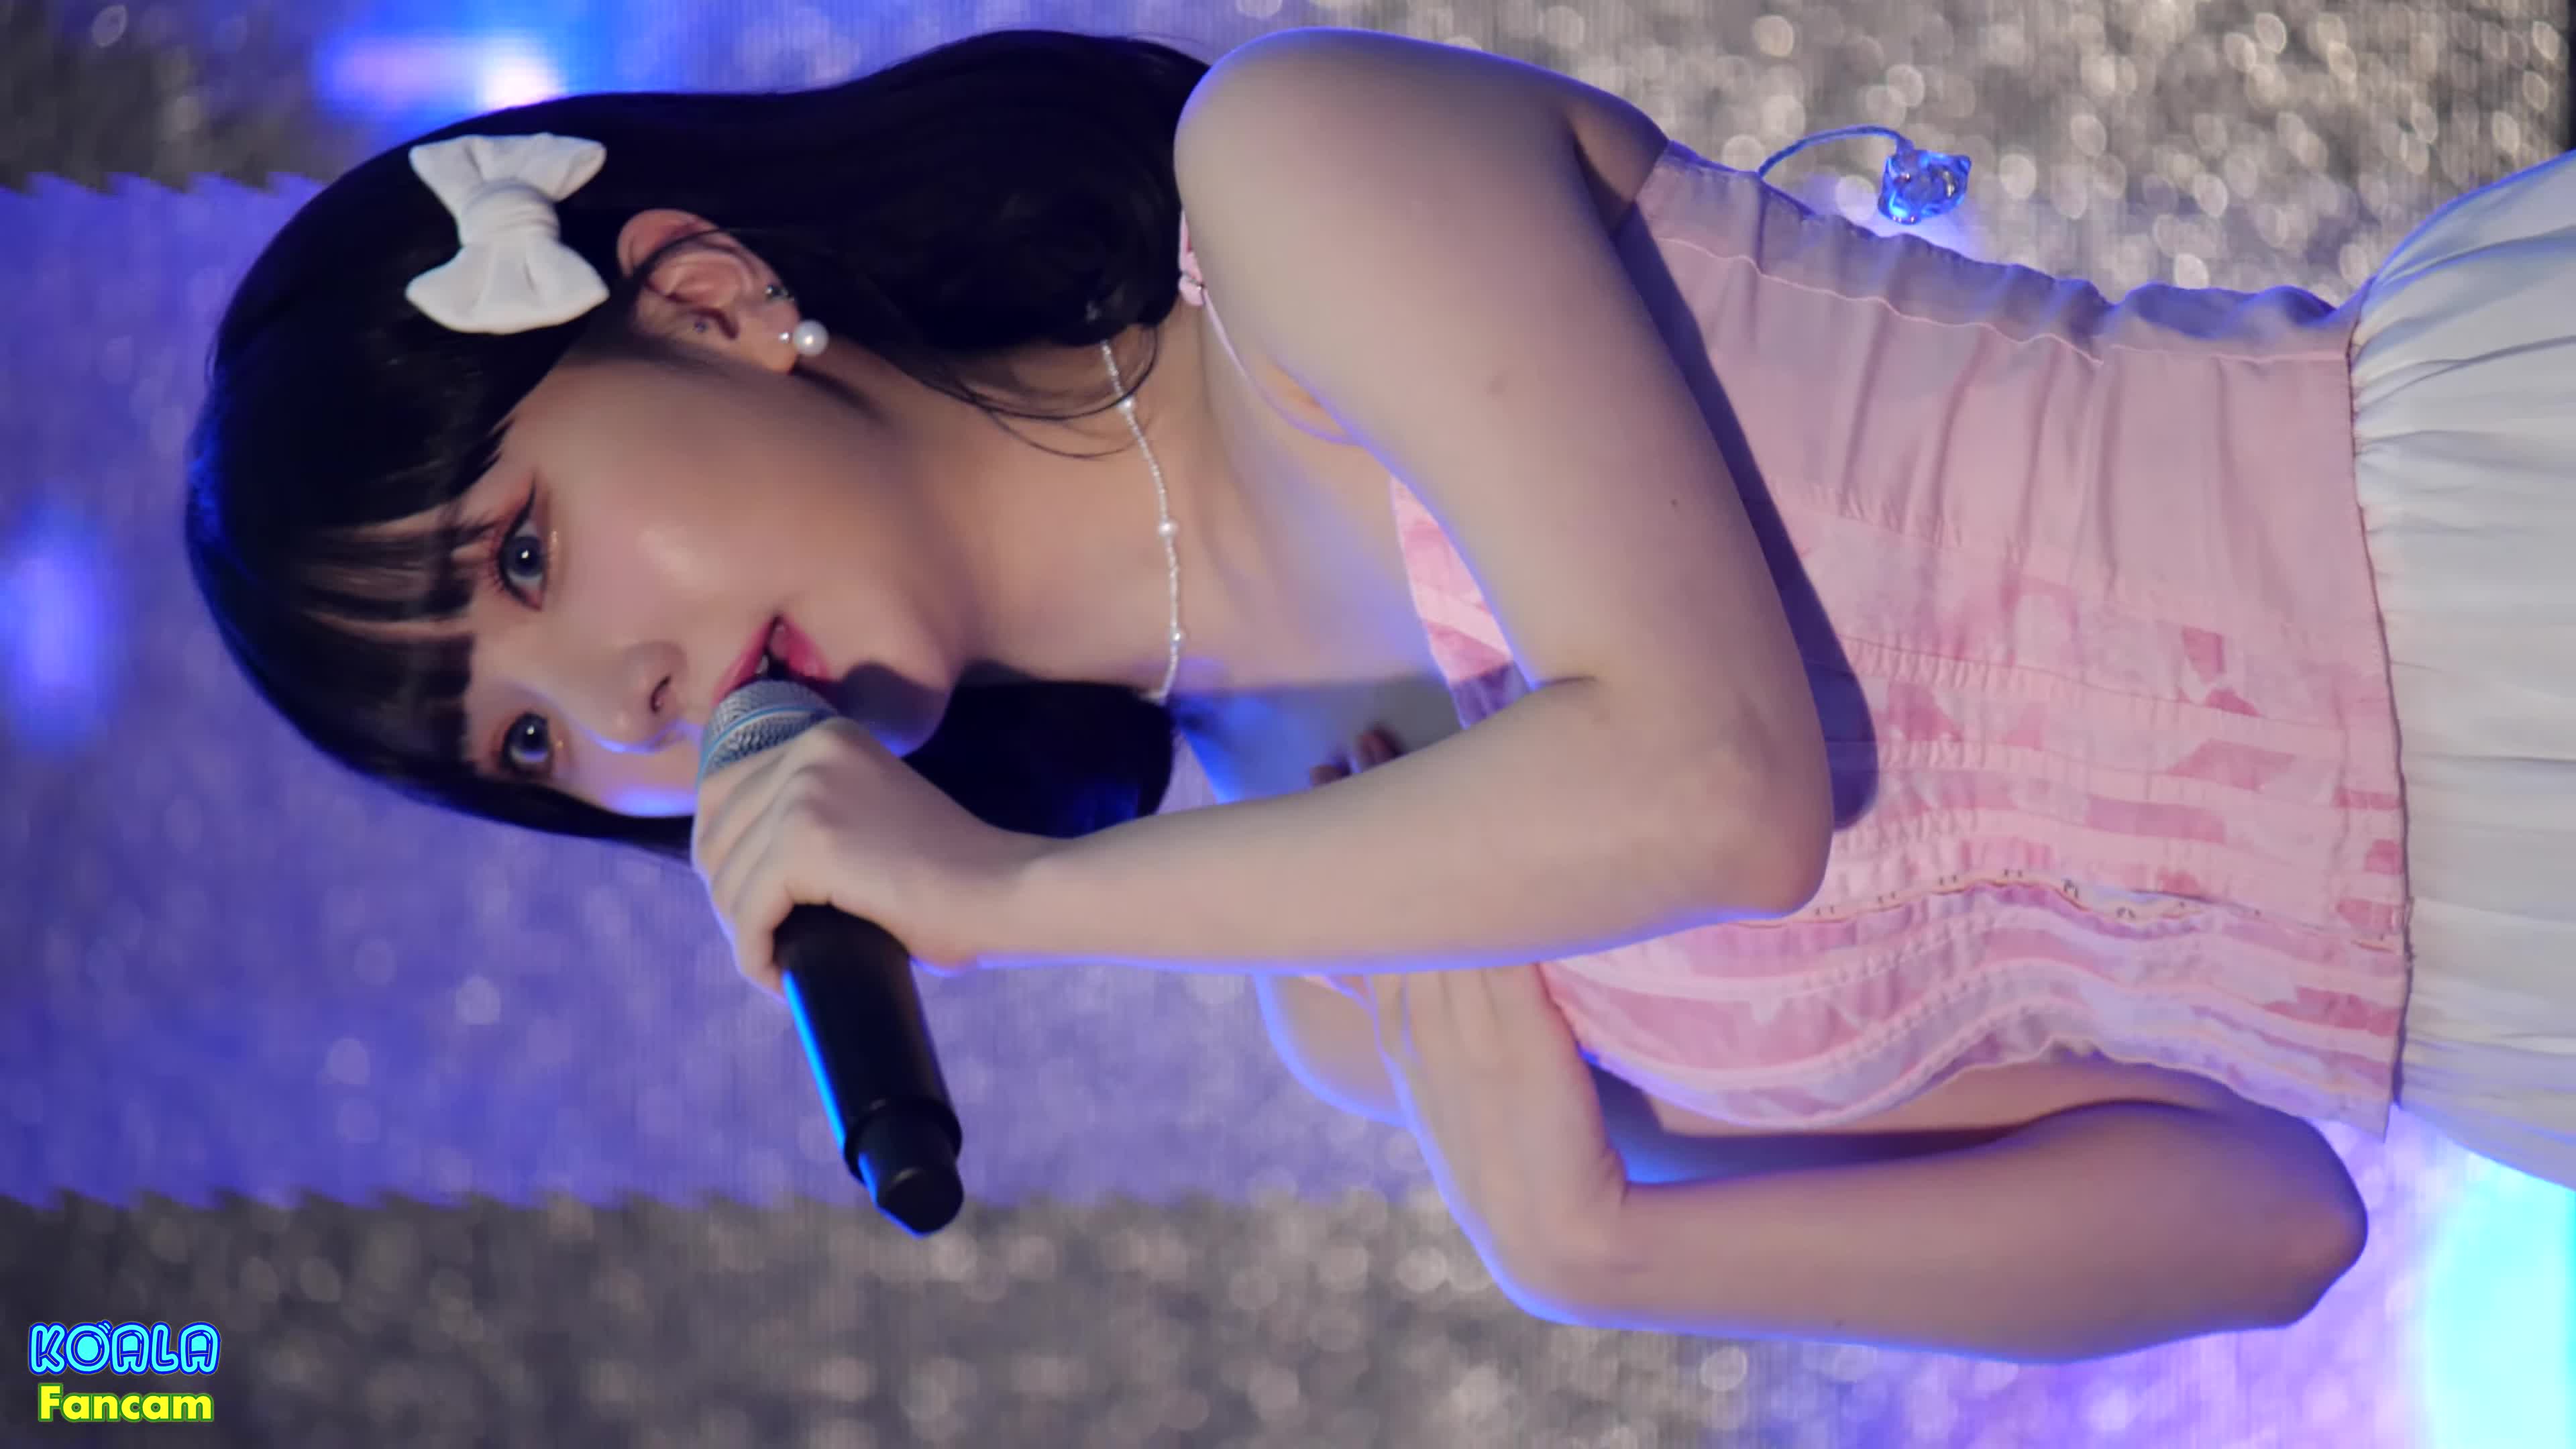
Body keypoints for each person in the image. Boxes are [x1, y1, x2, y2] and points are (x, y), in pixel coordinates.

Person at [182, 24, 2576, 1362]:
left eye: (528, 550)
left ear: (701, 298)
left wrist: (1011, 903)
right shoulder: (1346, 972)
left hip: (2490, 540)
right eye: (528, 742)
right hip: (2511, 1004)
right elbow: (2261, 1214)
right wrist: (1606, 1251)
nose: (625, 706)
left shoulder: (1296, 178)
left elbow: (1719, 780)